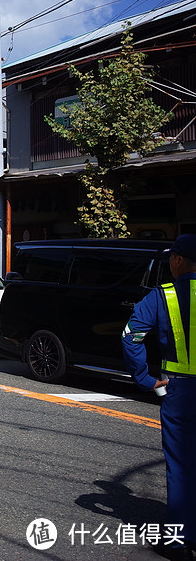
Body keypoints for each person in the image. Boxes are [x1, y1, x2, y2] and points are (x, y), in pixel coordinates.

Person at [122, 234, 196, 555]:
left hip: (179, 391)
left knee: (180, 465)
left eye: (171, 257)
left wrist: (145, 377)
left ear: (179, 260)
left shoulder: (163, 296)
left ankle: (181, 539)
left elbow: (131, 335)